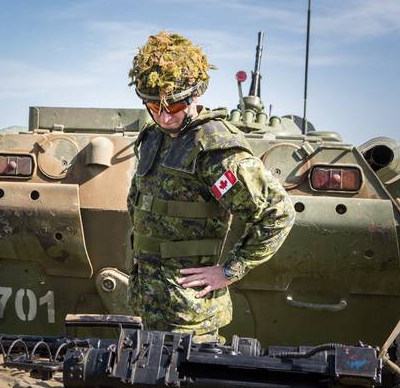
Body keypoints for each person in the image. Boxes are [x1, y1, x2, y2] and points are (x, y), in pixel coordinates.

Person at [126, 31, 295, 342]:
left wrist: (230, 270)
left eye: (174, 108)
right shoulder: (154, 137)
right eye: (153, 106)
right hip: (147, 301)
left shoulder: (215, 150)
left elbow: (278, 213)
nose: (164, 117)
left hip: (189, 313)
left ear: (195, 96)